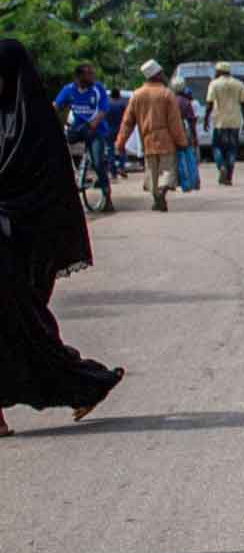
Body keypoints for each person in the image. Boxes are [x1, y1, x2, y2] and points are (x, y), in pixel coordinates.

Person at [0, 40, 126, 437]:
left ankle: (85, 383)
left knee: (23, 332)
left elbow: (45, 194)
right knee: (16, 333)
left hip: (19, 248)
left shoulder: (36, 128)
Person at [114, 61, 188, 212]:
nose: (164, 75)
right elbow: (175, 122)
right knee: (167, 171)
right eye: (162, 73)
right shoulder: (167, 94)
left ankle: (156, 198)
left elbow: (127, 122)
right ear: (157, 75)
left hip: (147, 141)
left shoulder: (137, 95)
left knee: (152, 172)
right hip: (167, 142)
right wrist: (182, 141)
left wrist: (120, 143)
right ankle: (162, 192)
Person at [54, 61, 118, 212]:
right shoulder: (69, 90)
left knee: (97, 163)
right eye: (89, 74)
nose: (93, 76)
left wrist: (93, 124)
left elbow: (103, 110)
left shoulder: (98, 88)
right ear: (79, 77)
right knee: (57, 150)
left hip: (96, 131)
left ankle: (107, 196)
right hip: (77, 129)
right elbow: (56, 106)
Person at [204, 64, 244, 186]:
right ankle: (229, 177)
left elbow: (209, 104)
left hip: (219, 122)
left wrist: (206, 119)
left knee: (217, 147)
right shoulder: (239, 84)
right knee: (232, 149)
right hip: (235, 123)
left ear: (219, 71)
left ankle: (222, 166)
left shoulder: (214, 84)